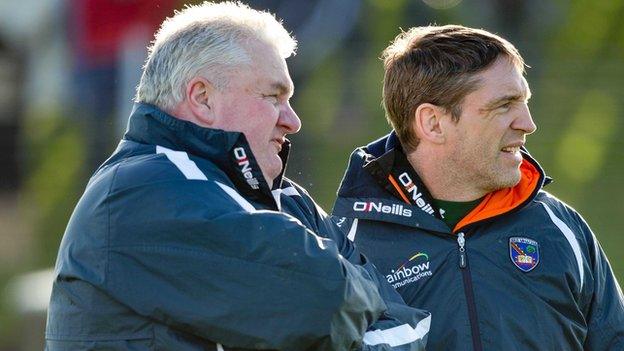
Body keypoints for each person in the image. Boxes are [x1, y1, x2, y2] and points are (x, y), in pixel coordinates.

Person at [45, 2, 431, 350]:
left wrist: (353, 304)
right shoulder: (144, 191)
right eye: (273, 97)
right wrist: (358, 295)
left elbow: (408, 324)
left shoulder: (281, 198)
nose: (293, 121)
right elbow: (323, 301)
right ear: (202, 99)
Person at [332, 25, 624, 350]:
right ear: (433, 123)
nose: (528, 123)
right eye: (504, 105)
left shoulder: (561, 228)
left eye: (524, 102)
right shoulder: (346, 248)